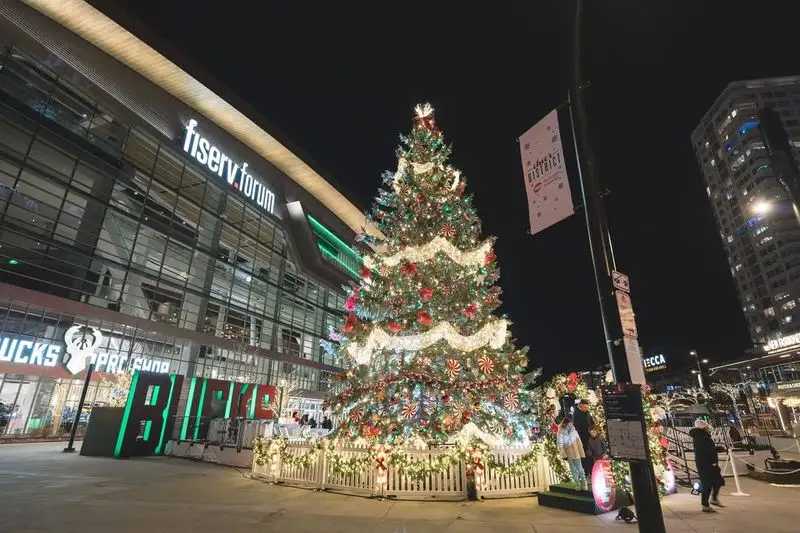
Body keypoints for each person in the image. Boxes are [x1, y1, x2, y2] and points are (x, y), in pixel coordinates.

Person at [690, 418, 725, 513]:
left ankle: (713, 499)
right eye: (707, 427)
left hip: (710, 463)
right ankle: (705, 505)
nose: (709, 428)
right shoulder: (700, 437)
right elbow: (705, 450)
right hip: (705, 464)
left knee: (717, 481)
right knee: (707, 485)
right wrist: (716, 449)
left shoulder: (703, 436)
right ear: (703, 428)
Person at [557, 415, 588, 490]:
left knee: (580, 468)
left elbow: (579, 442)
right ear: (564, 423)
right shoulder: (560, 432)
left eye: (569, 423)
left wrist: (581, 452)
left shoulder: (574, 431)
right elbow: (560, 444)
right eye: (567, 423)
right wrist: (564, 455)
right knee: (573, 470)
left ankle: (584, 483)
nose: (568, 425)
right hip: (569, 454)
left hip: (576, 453)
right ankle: (577, 484)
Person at [573, 399, 593, 476]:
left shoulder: (587, 413)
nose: (587, 409)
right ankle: (585, 473)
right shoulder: (576, 414)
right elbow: (577, 427)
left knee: (589, 456)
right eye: (585, 407)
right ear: (581, 406)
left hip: (589, 437)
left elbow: (591, 422)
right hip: (582, 439)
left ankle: (590, 472)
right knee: (584, 456)